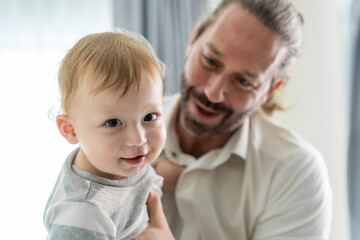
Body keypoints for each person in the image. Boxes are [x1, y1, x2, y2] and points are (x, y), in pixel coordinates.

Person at [153, 0, 333, 239]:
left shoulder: (294, 172)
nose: (213, 93)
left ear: (270, 90)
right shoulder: (109, 131)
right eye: (210, 61)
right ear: (193, 39)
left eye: (244, 81)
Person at [43, 31, 170, 240]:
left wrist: (167, 173)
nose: (138, 139)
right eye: (113, 122)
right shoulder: (83, 216)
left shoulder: (117, 160)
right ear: (71, 130)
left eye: (150, 116)